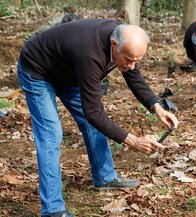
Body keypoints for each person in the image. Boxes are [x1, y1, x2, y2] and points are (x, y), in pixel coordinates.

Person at [17, 19, 179, 217]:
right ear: (113, 45)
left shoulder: (123, 40)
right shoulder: (90, 54)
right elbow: (93, 112)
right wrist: (133, 141)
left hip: (70, 72)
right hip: (38, 71)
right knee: (51, 135)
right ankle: (52, 210)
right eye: (128, 59)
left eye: (137, 59)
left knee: (94, 125)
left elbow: (133, 76)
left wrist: (158, 108)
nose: (132, 65)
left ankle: (105, 177)